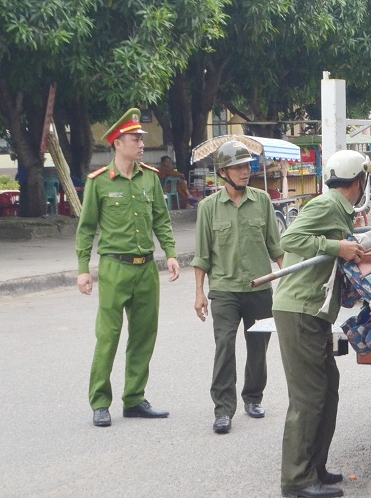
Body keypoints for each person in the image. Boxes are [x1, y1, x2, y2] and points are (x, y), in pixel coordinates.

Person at [272, 149, 371, 498]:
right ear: (357, 180)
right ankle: (297, 479)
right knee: (309, 396)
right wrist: (336, 246)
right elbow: (288, 239)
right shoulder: (327, 204)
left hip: (313, 311)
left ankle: (315, 467)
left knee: (327, 388)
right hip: (299, 310)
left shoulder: (339, 210)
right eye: (364, 180)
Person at [75, 108, 181, 428]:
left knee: (143, 336)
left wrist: (171, 253)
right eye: (135, 139)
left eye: (141, 139)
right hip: (114, 267)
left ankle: (134, 398)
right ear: (117, 143)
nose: (141, 144)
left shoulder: (149, 176)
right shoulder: (100, 182)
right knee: (108, 336)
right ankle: (100, 402)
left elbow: (161, 219)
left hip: (146, 268)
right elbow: (86, 228)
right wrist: (83, 268)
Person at [192, 142, 284, 435]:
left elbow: (276, 246)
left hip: (259, 287)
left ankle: (253, 397)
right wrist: (198, 293)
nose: (246, 172)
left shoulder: (263, 201)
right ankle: (223, 409)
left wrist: (291, 277)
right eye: (239, 167)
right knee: (224, 344)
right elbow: (202, 256)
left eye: (248, 166)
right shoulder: (208, 208)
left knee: (259, 347)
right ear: (223, 173)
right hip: (224, 290)